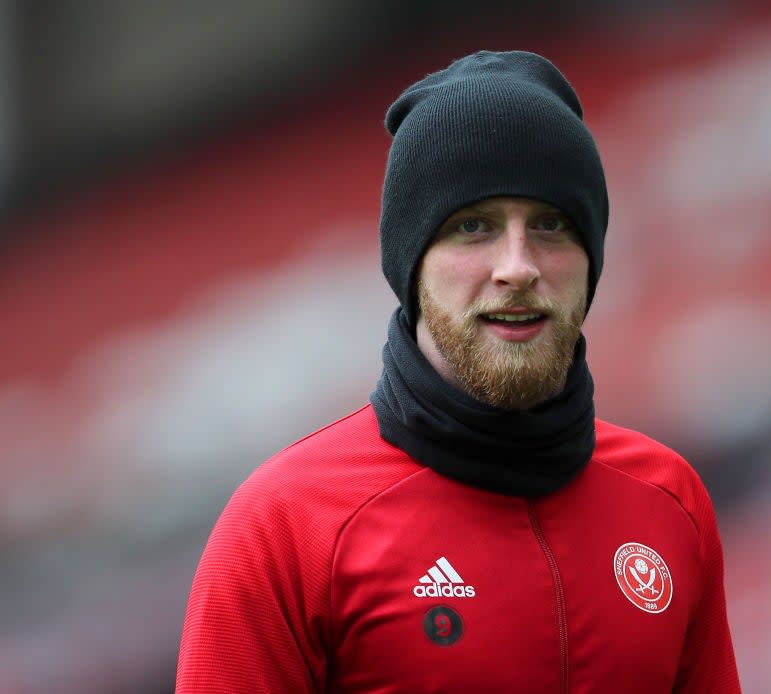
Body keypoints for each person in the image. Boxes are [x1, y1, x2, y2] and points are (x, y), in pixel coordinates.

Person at [176, 49, 741, 693]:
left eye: (552, 225)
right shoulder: (285, 527)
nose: (518, 266)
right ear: (412, 266)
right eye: (474, 226)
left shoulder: (670, 502)